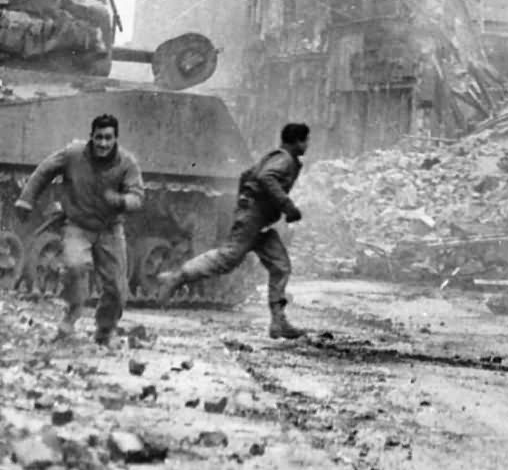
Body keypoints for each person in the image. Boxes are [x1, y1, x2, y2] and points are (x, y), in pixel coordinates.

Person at [155, 122, 310, 339]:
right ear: (298, 141)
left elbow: (247, 174)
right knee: (228, 258)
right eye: (305, 140)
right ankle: (176, 277)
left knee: (280, 266)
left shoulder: (275, 157)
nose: (307, 145)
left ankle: (278, 322)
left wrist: (244, 202)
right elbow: (266, 177)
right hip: (255, 219)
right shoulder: (284, 159)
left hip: (259, 222)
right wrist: (286, 205)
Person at [14, 114, 144, 345]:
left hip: (110, 229)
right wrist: (26, 199)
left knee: (117, 289)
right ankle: (72, 313)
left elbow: (138, 196)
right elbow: (45, 170)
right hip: (78, 225)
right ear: (91, 137)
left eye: (108, 138)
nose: (103, 143)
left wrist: (122, 201)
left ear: (116, 139)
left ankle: (104, 332)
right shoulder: (74, 154)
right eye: (99, 138)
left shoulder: (127, 163)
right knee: (75, 266)